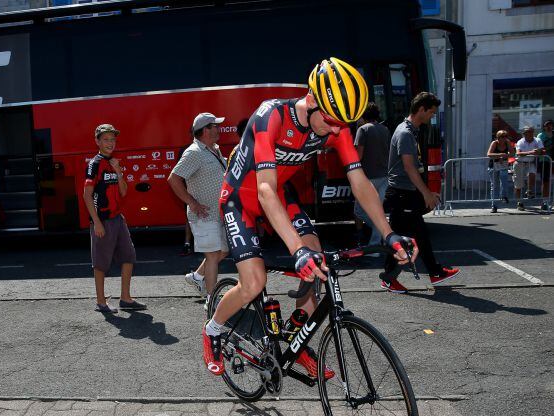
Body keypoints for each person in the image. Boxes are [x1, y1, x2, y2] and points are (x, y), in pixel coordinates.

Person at [203, 57, 417, 377]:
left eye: (341, 124)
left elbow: (359, 183)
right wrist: (296, 250)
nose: (335, 131)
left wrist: (389, 234)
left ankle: (293, 342)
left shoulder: (337, 125)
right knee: (255, 281)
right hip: (241, 199)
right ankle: (214, 329)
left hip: (280, 193)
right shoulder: (270, 116)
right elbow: (264, 189)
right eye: (331, 121)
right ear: (313, 99)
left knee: (319, 266)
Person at [379, 92, 460, 293]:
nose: (432, 116)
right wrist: (426, 194)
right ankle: (394, 278)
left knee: (415, 236)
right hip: (402, 193)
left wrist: (425, 193)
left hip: (405, 193)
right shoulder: (406, 133)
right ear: (421, 109)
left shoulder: (411, 131)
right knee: (407, 237)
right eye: (431, 112)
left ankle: (433, 272)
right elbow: (409, 167)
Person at [83, 124, 146, 313]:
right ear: (97, 141)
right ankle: (101, 303)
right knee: (101, 263)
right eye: (106, 139)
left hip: (118, 219)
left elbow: (124, 192)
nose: (110, 143)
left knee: (128, 256)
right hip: (102, 220)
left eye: (112, 139)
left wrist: (118, 171)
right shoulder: (94, 164)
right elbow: (87, 195)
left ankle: (125, 299)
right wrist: (96, 222)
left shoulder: (115, 162)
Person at [169, 113, 229, 305]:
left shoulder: (214, 150)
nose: (218, 129)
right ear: (204, 130)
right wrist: (192, 203)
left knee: (224, 252)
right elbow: (173, 178)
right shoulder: (194, 152)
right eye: (214, 126)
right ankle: (212, 300)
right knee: (212, 255)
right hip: (204, 215)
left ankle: (197, 276)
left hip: (218, 214)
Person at [353, 102, 391, 248]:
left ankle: (376, 242)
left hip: (367, 177)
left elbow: (359, 155)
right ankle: (382, 233)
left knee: (359, 211)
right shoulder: (385, 129)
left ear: (364, 115)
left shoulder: (363, 130)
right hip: (384, 176)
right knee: (378, 211)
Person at [513, 126, 544, 210]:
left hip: (530, 162)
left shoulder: (537, 140)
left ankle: (529, 191)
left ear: (533, 133)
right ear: (524, 134)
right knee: (518, 184)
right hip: (519, 163)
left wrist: (539, 151)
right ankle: (519, 202)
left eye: (531, 132)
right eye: (527, 132)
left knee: (532, 174)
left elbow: (542, 150)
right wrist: (532, 152)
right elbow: (519, 153)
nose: (529, 134)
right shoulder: (520, 142)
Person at [486, 130, 513, 213]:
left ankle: (504, 196)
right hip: (493, 166)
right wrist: (500, 155)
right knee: (494, 186)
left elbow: (512, 153)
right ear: (498, 137)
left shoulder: (507, 142)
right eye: (502, 137)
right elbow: (489, 154)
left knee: (504, 181)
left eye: (505, 137)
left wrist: (506, 155)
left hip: (503, 165)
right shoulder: (494, 143)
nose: (504, 139)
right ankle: (494, 205)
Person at [537, 120, 553, 208]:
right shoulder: (540, 135)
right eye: (547, 125)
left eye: (550, 125)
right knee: (545, 181)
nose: (549, 127)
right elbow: (539, 148)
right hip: (544, 160)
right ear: (544, 127)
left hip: (552, 160)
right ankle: (544, 202)